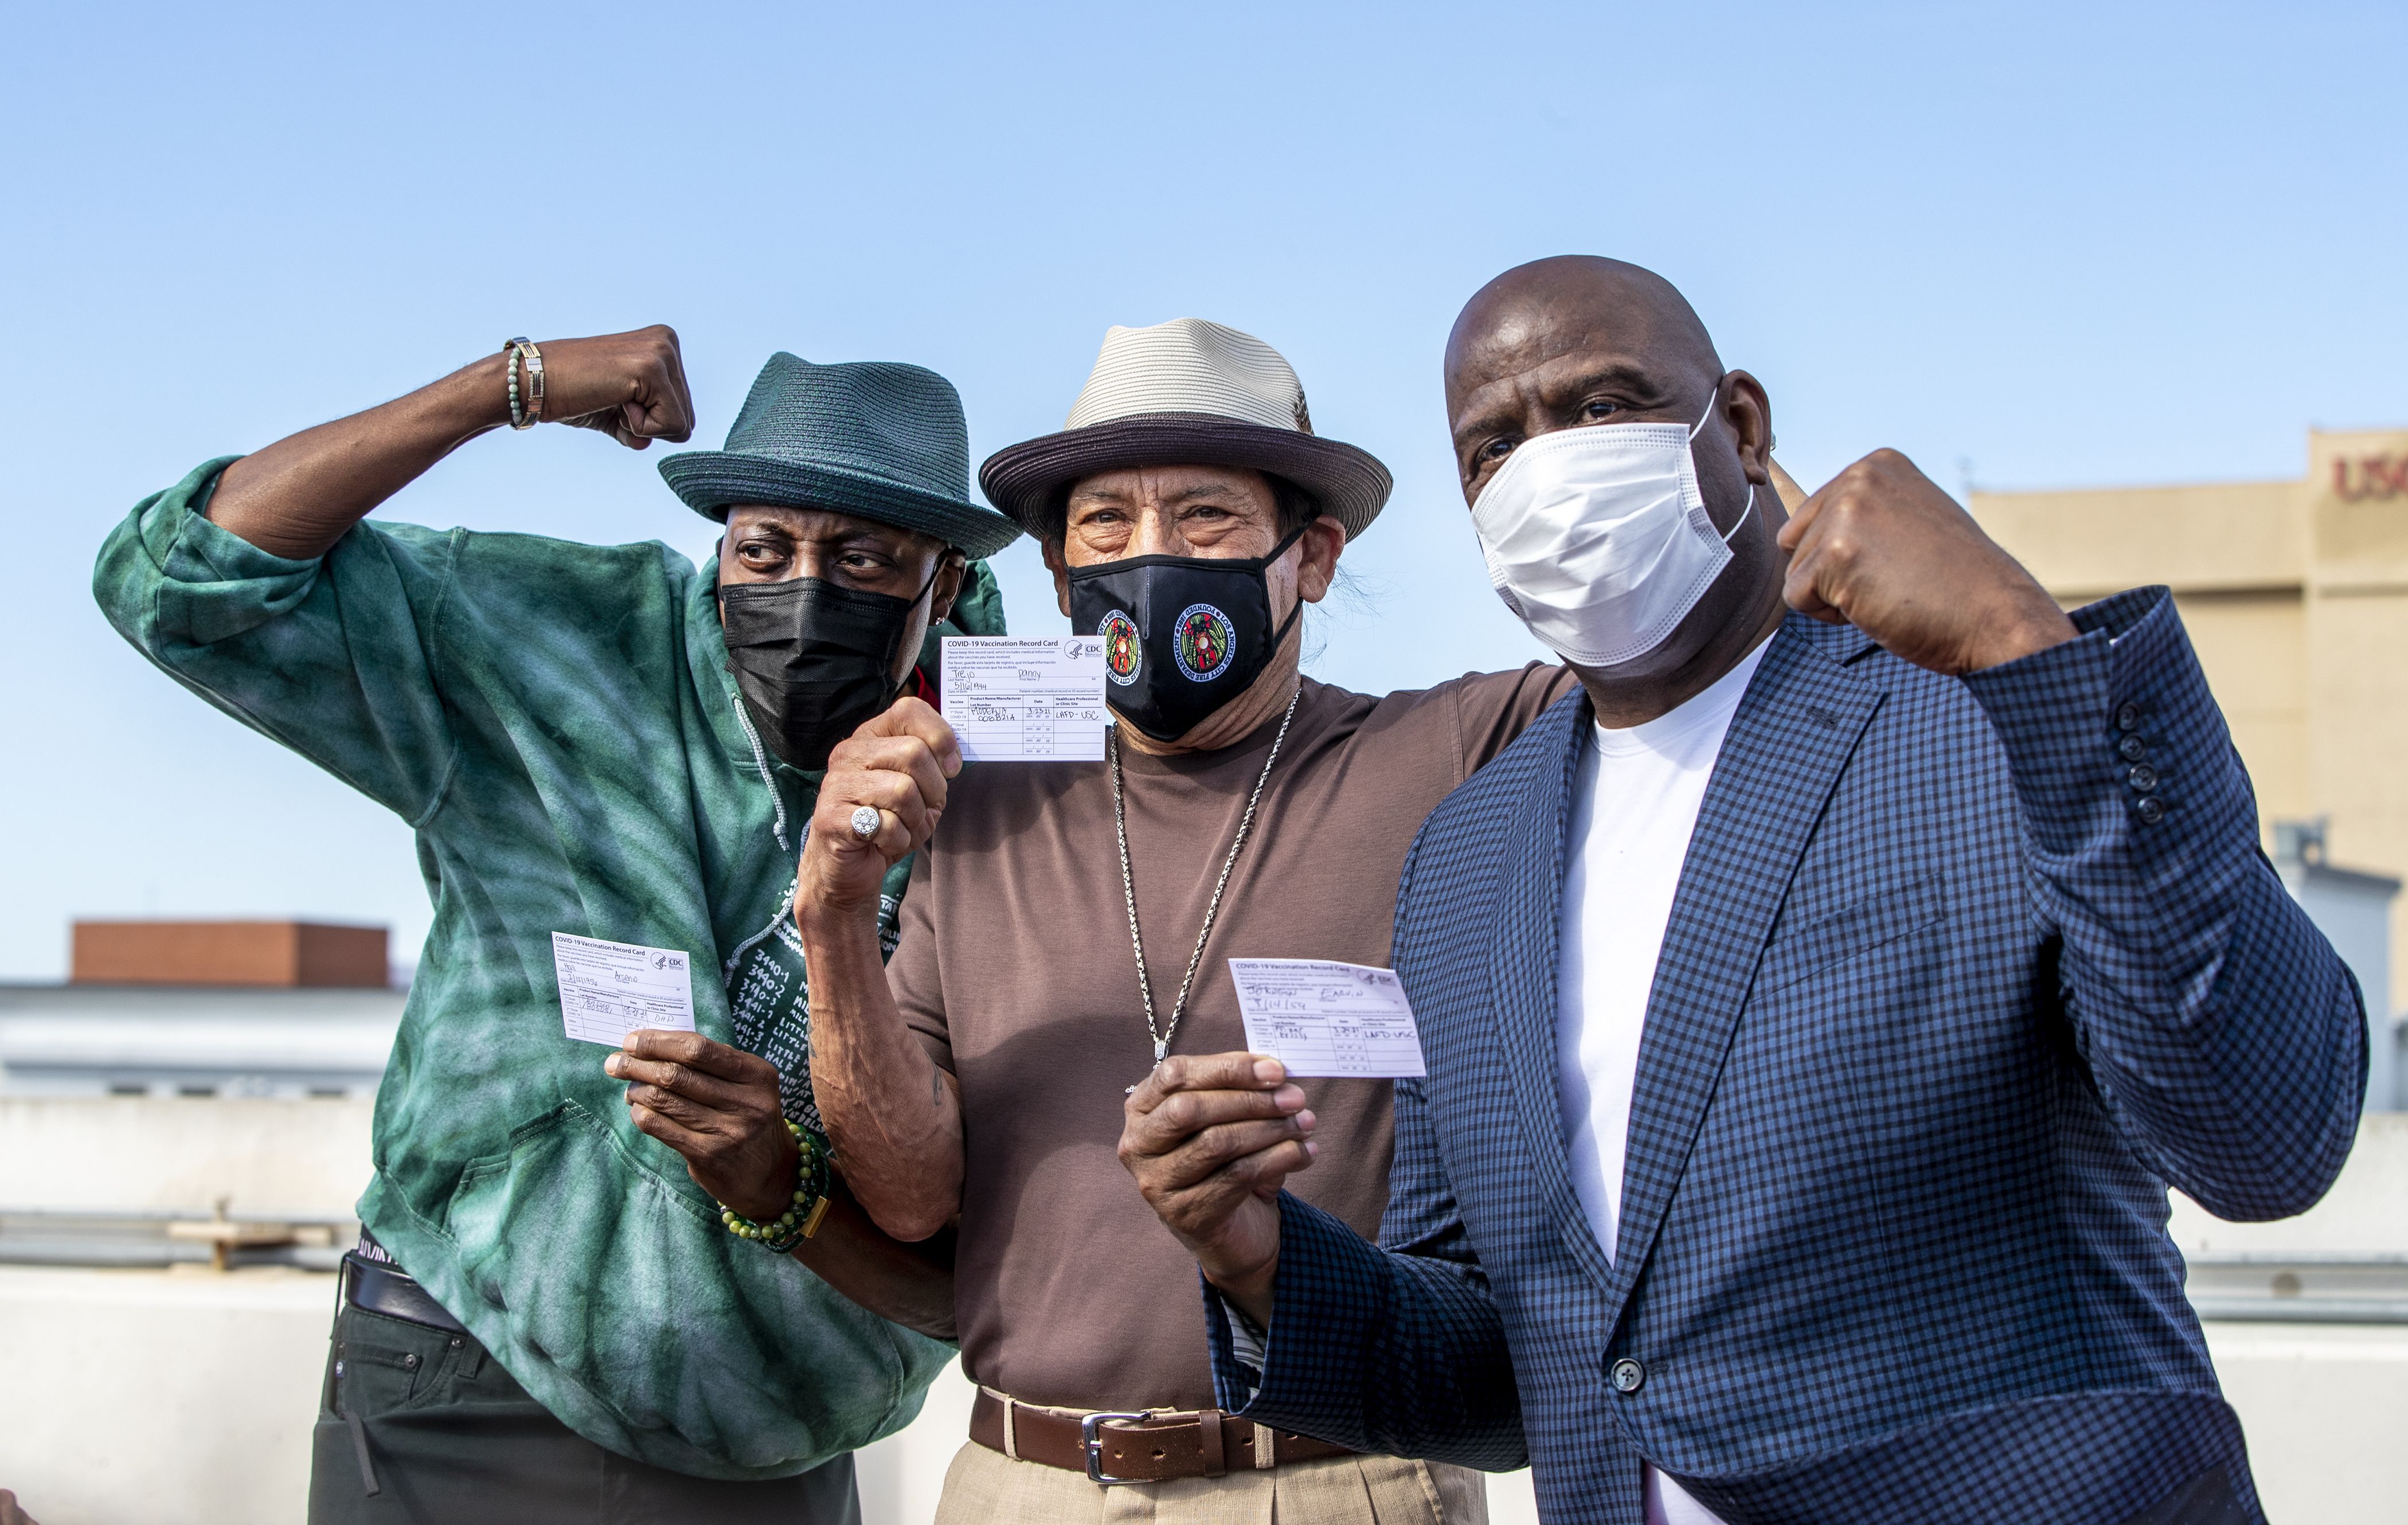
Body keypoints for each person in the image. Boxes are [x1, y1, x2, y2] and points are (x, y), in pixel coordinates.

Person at [1117, 257, 2369, 1525]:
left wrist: (2019, 638)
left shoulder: (1983, 720)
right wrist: (1260, 1256)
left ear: (1744, 427)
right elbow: (1524, 1361)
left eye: (1602, 408)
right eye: (1494, 446)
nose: (1548, 468)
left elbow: (2271, 1135)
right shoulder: (1467, 858)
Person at [92, 330, 1023, 1523]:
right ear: (720, 545)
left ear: (942, 583)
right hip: (470, 1378)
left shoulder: (1004, 759)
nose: (804, 589)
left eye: (864, 556)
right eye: (763, 547)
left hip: (785, 1436)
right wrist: (508, 387)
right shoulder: (566, 644)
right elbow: (181, 585)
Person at [648, 316, 1565, 1522]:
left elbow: (1730, 646)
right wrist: (833, 913)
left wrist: (1651, 446)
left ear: (1316, 553)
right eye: (1105, 524)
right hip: (1025, 1480)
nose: (1151, 553)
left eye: (1207, 517)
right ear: (1060, 574)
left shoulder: (1452, 746)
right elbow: (916, 1197)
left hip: (1337, 1480)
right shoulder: (979, 795)